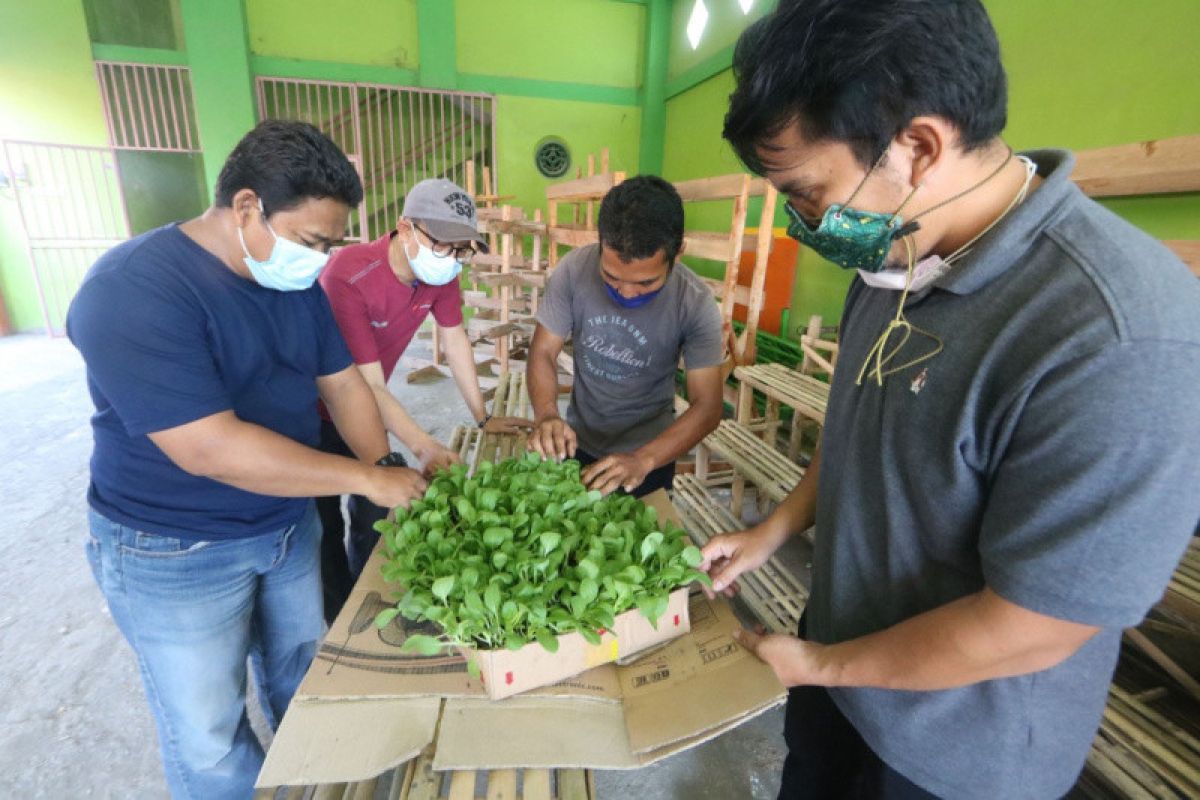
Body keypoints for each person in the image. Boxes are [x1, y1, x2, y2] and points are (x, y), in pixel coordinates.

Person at [699, 2, 1200, 798]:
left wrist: (825, 663)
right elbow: (858, 428)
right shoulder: (897, 255)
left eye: (808, 193)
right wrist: (775, 530)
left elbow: (1035, 626)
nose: (802, 225)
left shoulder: (1117, 332)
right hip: (835, 681)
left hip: (956, 755)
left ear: (920, 146)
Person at [66, 120, 427, 800]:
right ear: (244, 207)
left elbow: (342, 381)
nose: (319, 261)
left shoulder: (293, 285)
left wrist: (384, 465)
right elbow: (210, 447)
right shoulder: (133, 290)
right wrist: (360, 479)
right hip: (173, 549)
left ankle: (311, 784)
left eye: (330, 245)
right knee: (208, 736)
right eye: (310, 242)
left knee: (299, 673)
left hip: (285, 525)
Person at [316, 177, 531, 621]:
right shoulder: (350, 275)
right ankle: (338, 618)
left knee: (374, 504)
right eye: (445, 245)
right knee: (321, 524)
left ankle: (367, 590)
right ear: (406, 228)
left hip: (364, 405)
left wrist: (483, 416)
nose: (454, 259)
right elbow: (367, 387)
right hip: (314, 411)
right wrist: (423, 444)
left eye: (463, 249)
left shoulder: (442, 272)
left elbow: (455, 343)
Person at [526, 175, 724, 496]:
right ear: (601, 242)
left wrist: (643, 460)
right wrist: (547, 415)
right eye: (611, 276)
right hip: (577, 441)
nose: (627, 292)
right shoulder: (574, 270)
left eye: (645, 282)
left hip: (652, 455)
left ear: (678, 253)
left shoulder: (695, 303)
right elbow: (543, 351)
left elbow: (708, 405)